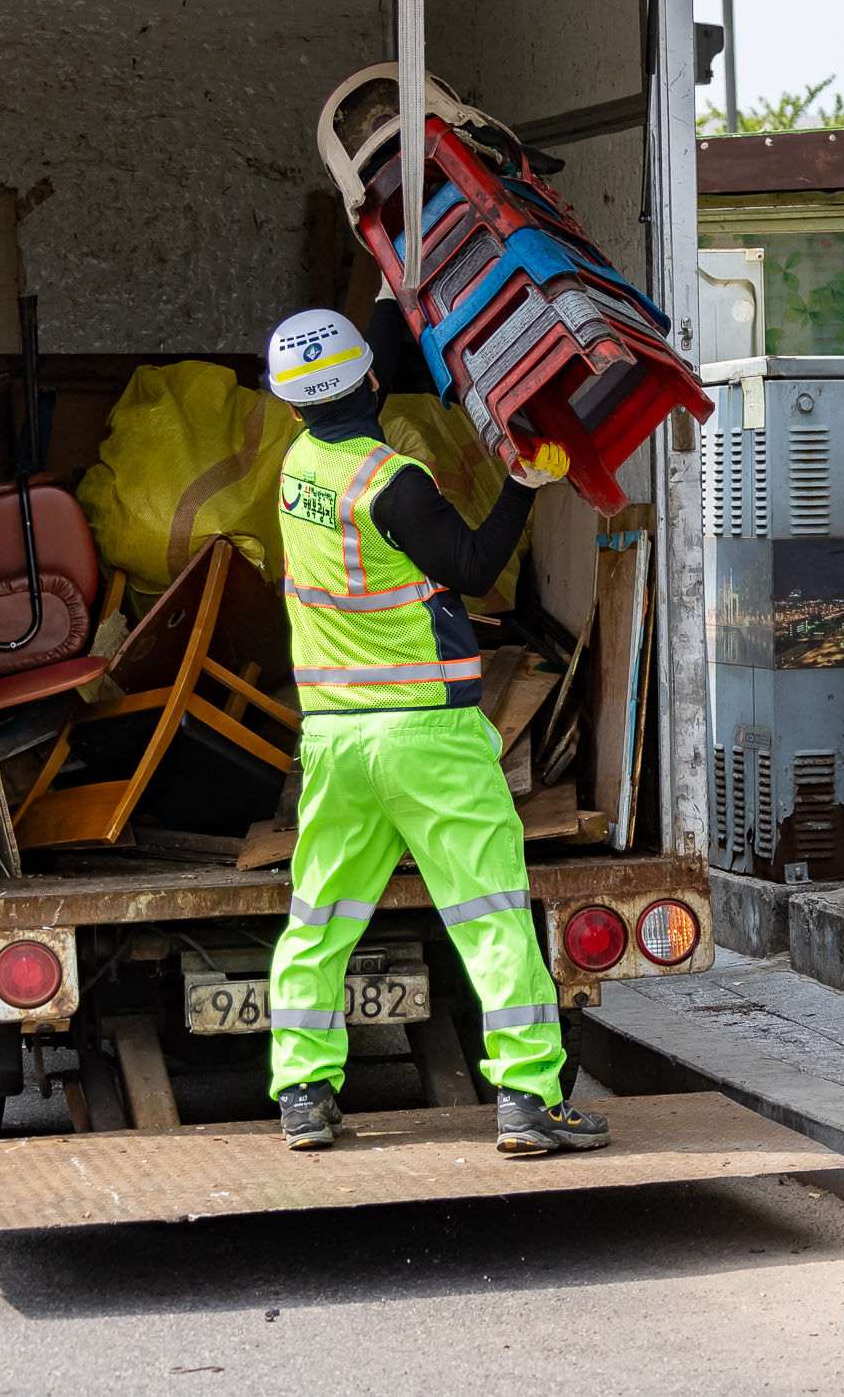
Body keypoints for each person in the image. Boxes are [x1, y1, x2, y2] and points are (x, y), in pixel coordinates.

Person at [261, 305, 609, 1157]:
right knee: (489, 914)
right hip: (427, 739)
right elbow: (474, 571)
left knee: (320, 915)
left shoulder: (297, 467)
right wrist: (524, 484)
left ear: (289, 398)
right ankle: (528, 1098)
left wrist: (391, 293)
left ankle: (304, 1093)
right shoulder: (395, 483)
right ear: (374, 381)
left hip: (338, 739)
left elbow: (350, 384)